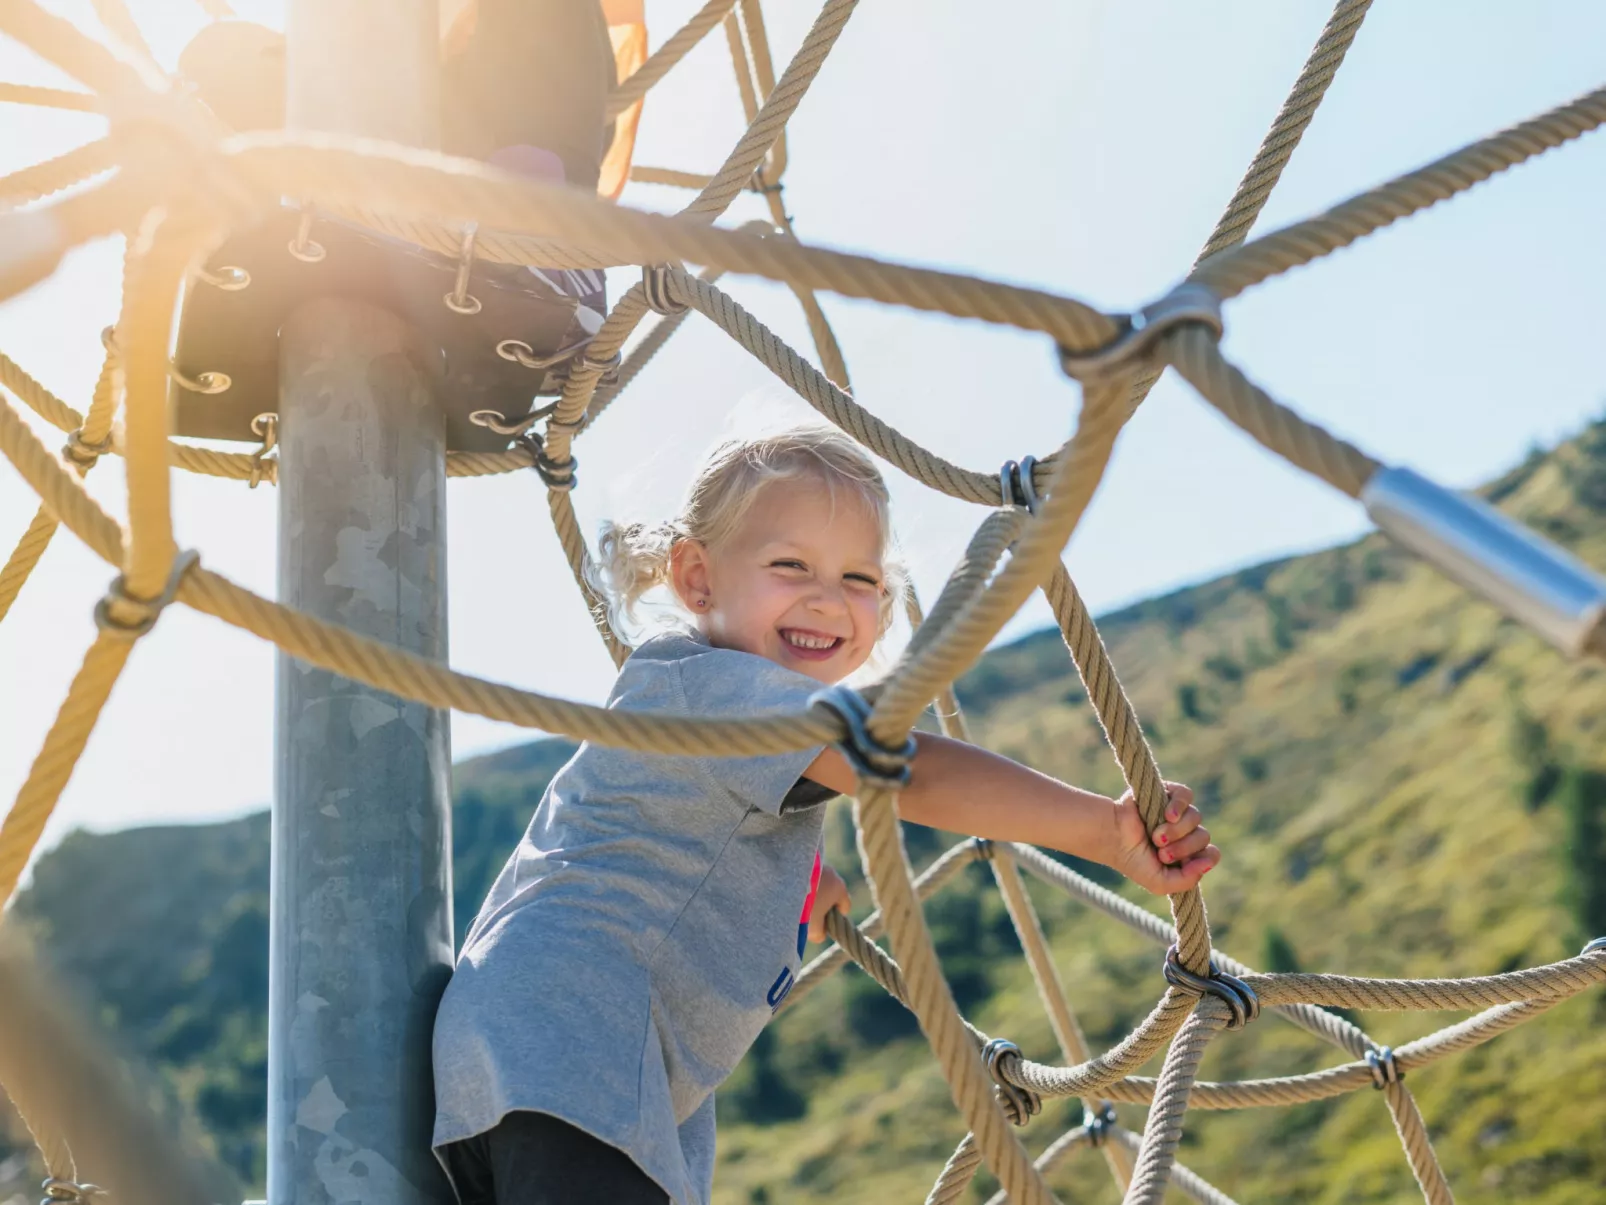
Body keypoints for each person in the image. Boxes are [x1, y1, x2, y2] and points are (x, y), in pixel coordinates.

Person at [430, 425, 1221, 1205]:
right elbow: (909, 769)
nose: (827, 598)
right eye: (790, 565)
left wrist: (793, 893)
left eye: (860, 578)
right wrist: (1101, 830)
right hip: (575, 1049)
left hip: (527, 1063)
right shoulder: (713, 687)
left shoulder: (704, 716)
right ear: (697, 579)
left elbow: (678, 852)